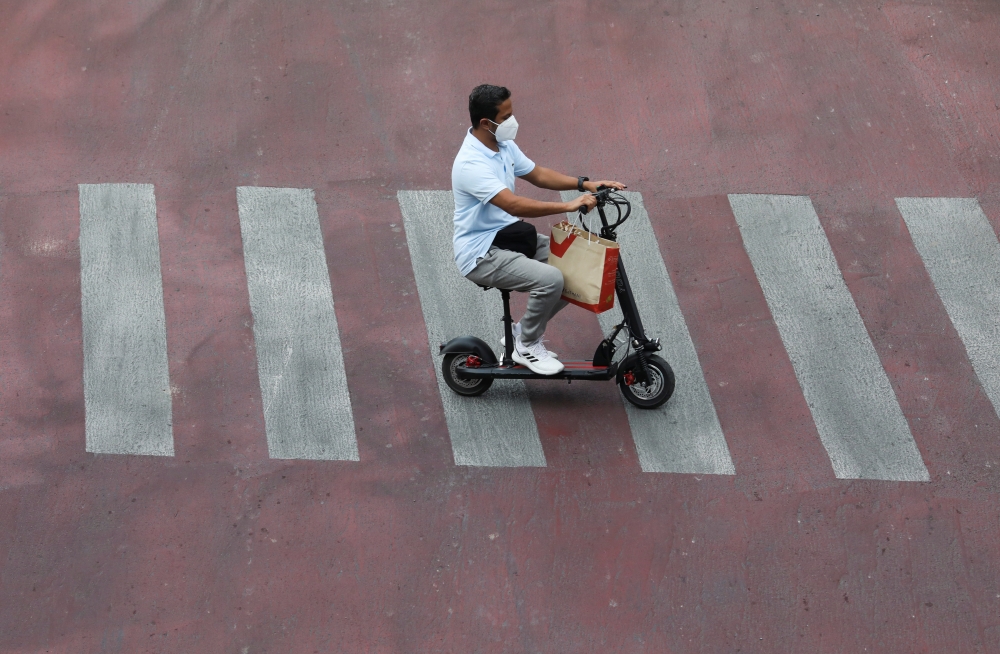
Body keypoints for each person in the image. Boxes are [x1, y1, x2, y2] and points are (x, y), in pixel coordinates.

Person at [452, 84, 626, 375]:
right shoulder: (470, 163)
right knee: (551, 279)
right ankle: (527, 345)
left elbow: (538, 174)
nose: (513, 121)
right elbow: (514, 205)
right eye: (506, 116)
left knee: (576, 269)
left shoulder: (502, 145)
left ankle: (522, 333)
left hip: (509, 237)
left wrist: (585, 184)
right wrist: (568, 206)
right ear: (486, 122)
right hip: (481, 252)